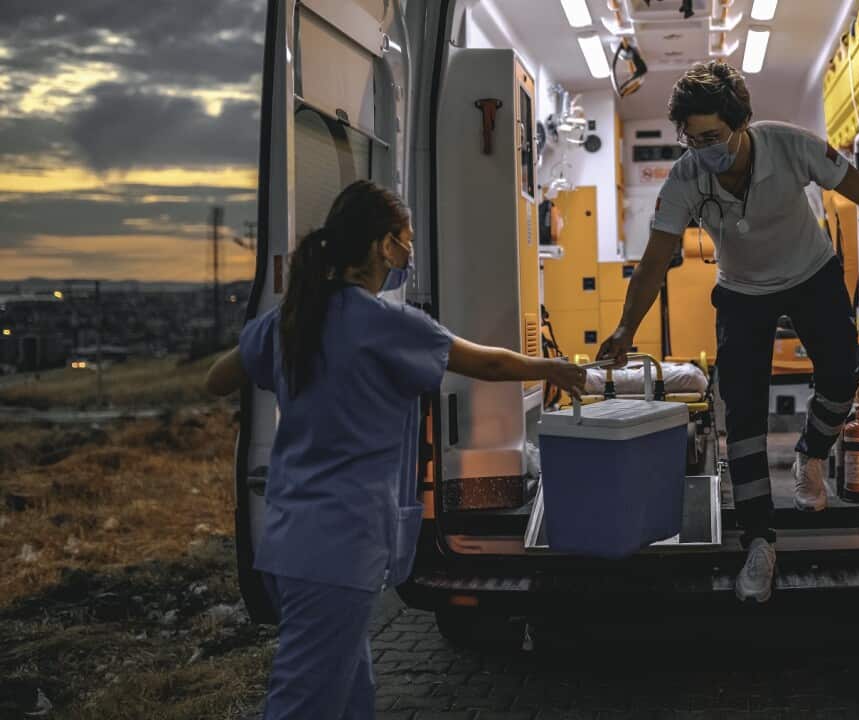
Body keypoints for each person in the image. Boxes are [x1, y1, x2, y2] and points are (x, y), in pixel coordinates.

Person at [598, 61, 859, 604]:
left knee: (842, 381)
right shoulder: (686, 177)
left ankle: (811, 454)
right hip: (741, 290)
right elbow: (656, 258)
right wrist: (624, 327)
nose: (703, 148)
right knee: (743, 415)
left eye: (712, 136)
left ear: (741, 122)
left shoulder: (790, 146)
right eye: (692, 138)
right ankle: (759, 542)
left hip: (811, 275)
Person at [204, 180, 586, 719]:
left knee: (352, 689)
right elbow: (488, 364)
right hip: (339, 546)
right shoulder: (384, 324)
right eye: (405, 238)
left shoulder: (292, 320)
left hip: (289, 541)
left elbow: (217, 379)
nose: (409, 249)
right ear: (385, 246)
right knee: (303, 702)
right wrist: (551, 368)